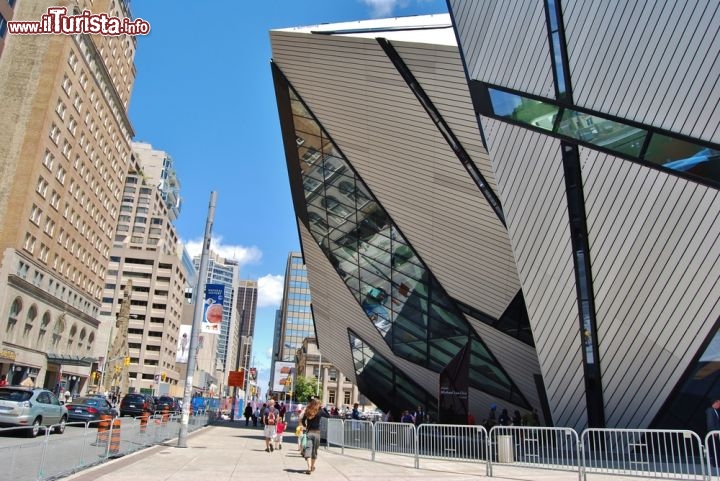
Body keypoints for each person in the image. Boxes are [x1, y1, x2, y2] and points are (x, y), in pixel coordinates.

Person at [300, 398, 329, 474]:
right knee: (314, 451)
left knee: (308, 449)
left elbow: (303, 420)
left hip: (309, 433)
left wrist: (305, 426)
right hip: (317, 434)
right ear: (318, 404)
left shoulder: (308, 410)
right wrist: (324, 408)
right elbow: (328, 416)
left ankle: (309, 467)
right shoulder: (320, 411)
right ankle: (312, 466)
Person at [707, 399, 720, 466]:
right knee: (715, 448)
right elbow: (710, 422)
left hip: (717, 433)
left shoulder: (716, 411)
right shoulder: (710, 410)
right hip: (714, 434)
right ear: (715, 402)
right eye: (719, 403)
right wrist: (713, 431)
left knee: (717, 448)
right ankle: (716, 463)